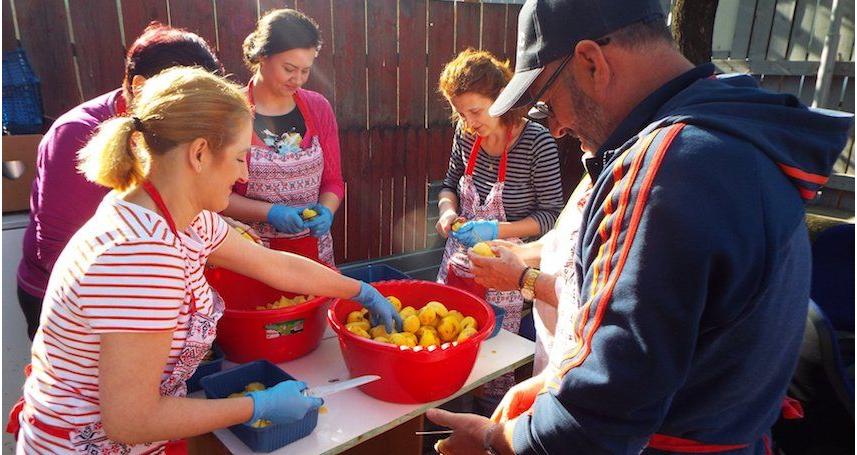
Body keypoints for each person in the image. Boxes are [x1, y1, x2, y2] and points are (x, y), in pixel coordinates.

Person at [426, 0, 854, 453]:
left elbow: (593, 421)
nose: (555, 127)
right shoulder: (736, 135)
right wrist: (554, 387)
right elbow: (664, 354)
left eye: (549, 101)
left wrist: (496, 440)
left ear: (591, 62)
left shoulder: (666, 171)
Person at [10, 67, 400, 454]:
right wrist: (256, 406)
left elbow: (274, 266)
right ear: (198, 153)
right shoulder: (139, 258)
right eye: (239, 158)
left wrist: (360, 291)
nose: (245, 172)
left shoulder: (184, 218)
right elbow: (131, 420)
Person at [16, 23, 224, 341]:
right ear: (140, 86)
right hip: (74, 304)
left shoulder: (176, 127)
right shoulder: (74, 134)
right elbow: (55, 250)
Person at [434, 49, 564, 403]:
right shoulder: (465, 136)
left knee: (492, 363)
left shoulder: (536, 142)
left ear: (502, 100)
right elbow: (449, 184)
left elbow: (552, 215)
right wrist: (448, 212)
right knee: (448, 345)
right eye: (461, 113)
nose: (469, 121)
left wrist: (495, 231)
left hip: (506, 269)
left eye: (476, 111)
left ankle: (492, 430)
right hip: (458, 265)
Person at [222, 9, 343, 267]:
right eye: (289, 69)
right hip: (250, 256)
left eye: (305, 71)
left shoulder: (318, 108)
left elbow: (334, 183)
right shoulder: (232, 112)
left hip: (313, 252)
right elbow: (216, 195)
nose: (297, 79)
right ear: (263, 56)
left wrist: (327, 211)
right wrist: (270, 213)